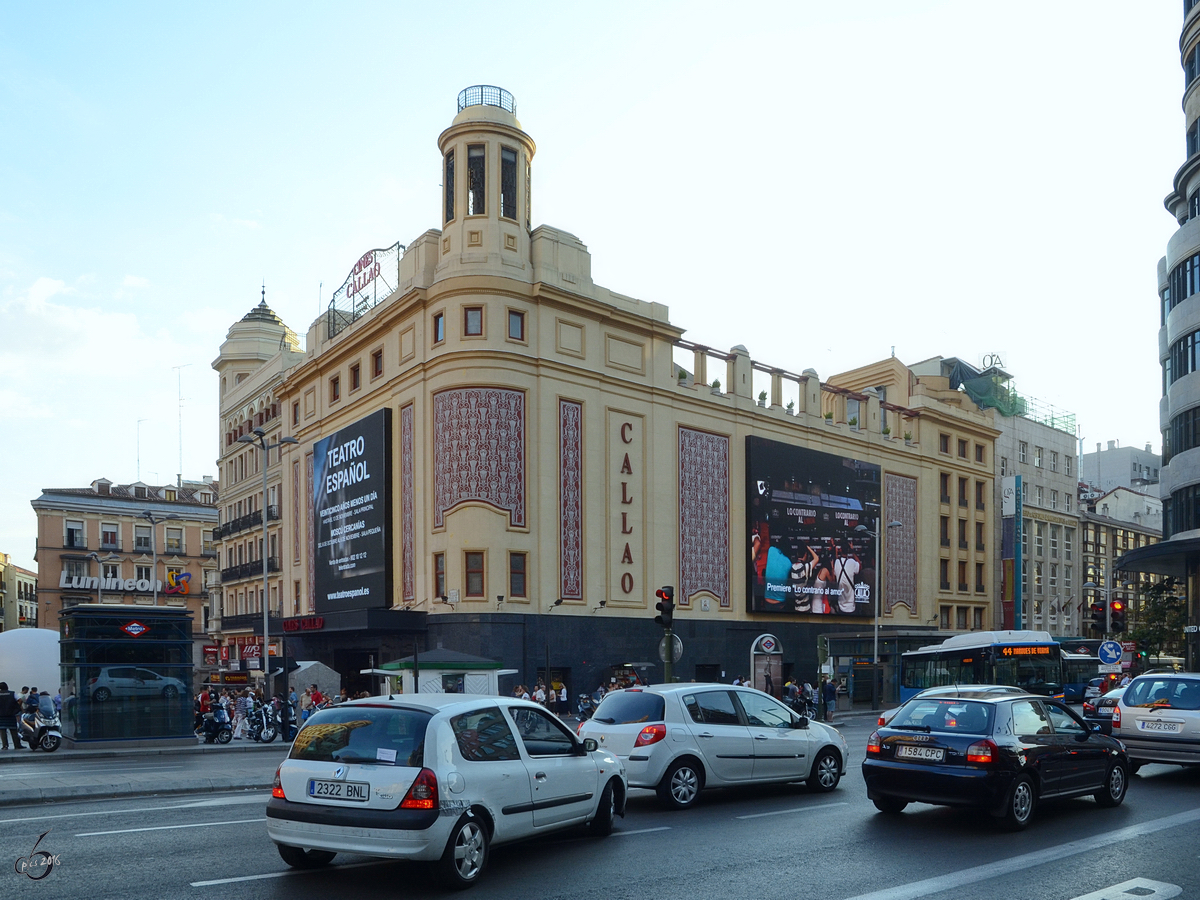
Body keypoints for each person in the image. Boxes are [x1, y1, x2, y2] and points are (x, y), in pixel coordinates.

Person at [0, 682, 21, 750]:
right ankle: (17, 745)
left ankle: (5, 745)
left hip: (1, 715)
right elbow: (20, 700)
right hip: (11, 714)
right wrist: (16, 707)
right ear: (7, 686)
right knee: (13, 729)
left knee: (2, 730)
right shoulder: (12, 693)